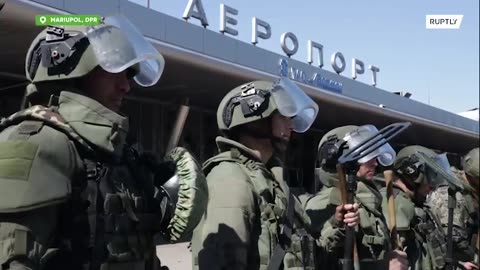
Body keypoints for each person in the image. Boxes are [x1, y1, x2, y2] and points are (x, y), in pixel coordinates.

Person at [0, 15, 208, 270]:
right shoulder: (37, 143)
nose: (126, 86)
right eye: (114, 70)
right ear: (71, 67)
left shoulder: (120, 153)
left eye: (129, 74)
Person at [191, 78, 353, 269]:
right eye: (283, 116)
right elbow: (220, 262)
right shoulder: (230, 179)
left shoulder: (273, 182)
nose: (291, 126)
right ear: (257, 118)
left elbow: (306, 254)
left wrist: (336, 223)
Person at [302, 125, 409, 270]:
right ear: (336, 157)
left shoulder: (367, 199)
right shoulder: (328, 201)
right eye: (365, 155)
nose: (375, 163)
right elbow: (321, 259)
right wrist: (382, 266)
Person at [394, 145, 476, 270]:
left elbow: (433, 250)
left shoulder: (419, 207)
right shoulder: (398, 205)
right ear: (413, 174)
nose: (433, 186)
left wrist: (458, 264)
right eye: (429, 177)